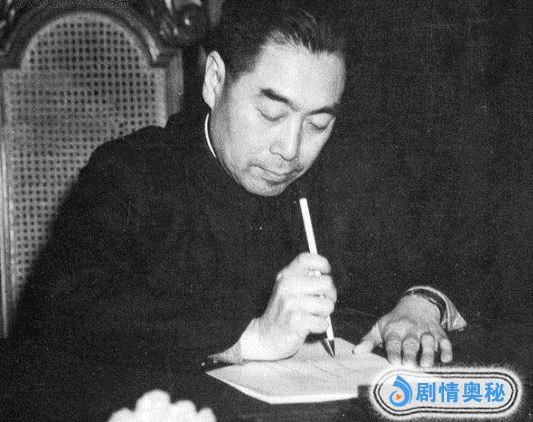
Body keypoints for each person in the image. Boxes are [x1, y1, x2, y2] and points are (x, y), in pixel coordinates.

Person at [14, 0, 465, 378]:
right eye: (271, 114)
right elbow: (61, 307)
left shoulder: (345, 175)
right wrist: (251, 338)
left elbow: (446, 256)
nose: (290, 149)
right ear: (215, 81)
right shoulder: (131, 173)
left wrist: (421, 305)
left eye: (318, 123)